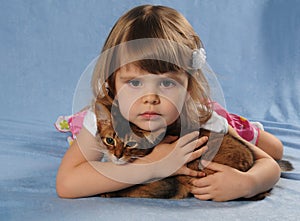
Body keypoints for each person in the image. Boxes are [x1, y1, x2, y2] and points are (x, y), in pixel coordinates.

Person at [56, 4, 283, 202]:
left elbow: (269, 164)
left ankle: (246, 127)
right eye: (135, 83)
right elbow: (67, 183)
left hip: (200, 113)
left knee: (274, 148)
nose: (151, 99)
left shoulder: (195, 115)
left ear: (187, 88)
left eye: (166, 83)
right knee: (81, 131)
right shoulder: (103, 117)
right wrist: (152, 167)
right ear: (113, 84)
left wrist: (249, 183)